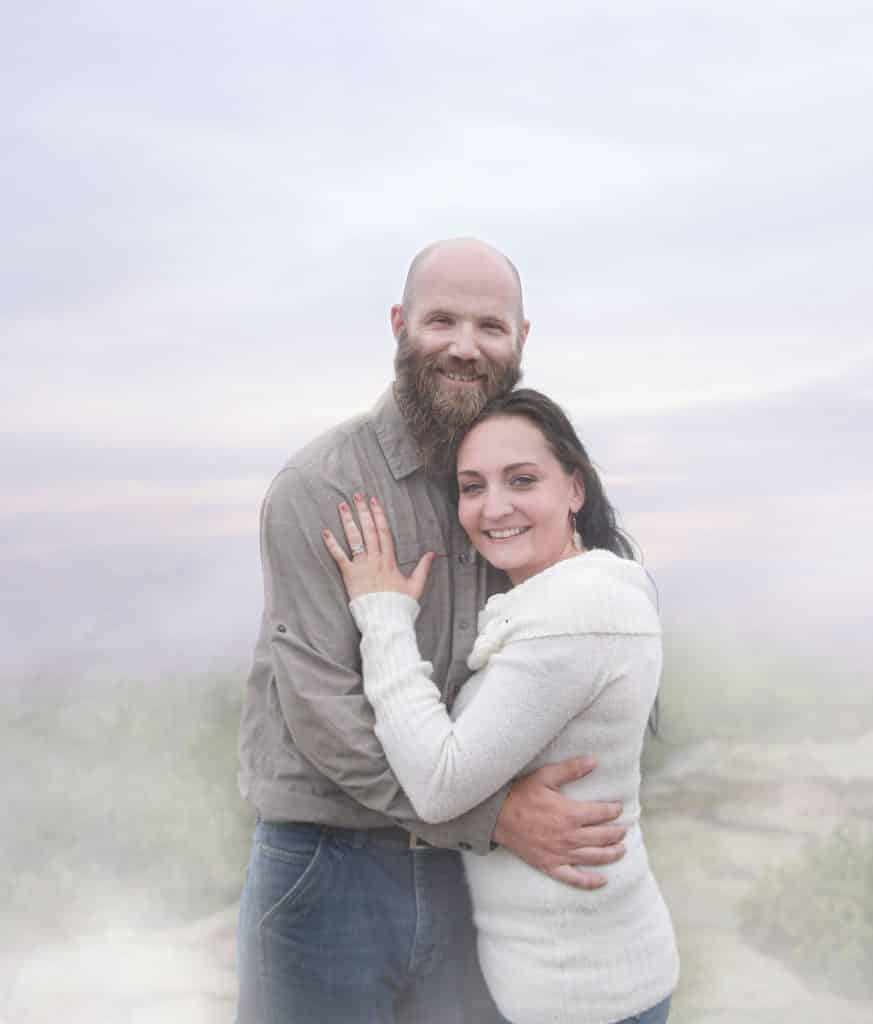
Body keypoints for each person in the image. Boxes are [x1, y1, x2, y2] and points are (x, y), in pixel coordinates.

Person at [236, 239, 629, 1024]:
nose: (464, 345)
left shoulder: (519, 497)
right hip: (329, 872)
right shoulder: (321, 487)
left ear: (521, 340)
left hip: (475, 884)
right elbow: (323, 716)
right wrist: (492, 818)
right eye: (440, 319)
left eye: (490, 325)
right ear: (398, 325)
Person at [322, 389, 679, 1024]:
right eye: (472, 486)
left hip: (586, 998)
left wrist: (383, 614)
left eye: (522, 480)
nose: (494, 507)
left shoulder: (576, 616)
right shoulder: (567, 598)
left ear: (575, 489)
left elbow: (438, 783)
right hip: (576, 984)